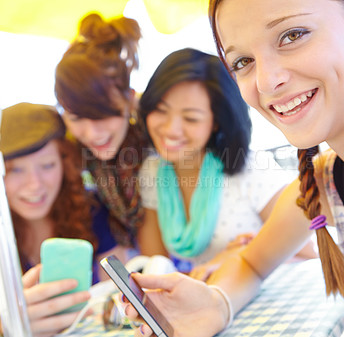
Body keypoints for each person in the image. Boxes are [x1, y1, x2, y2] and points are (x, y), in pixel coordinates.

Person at [124, 0, 344, 336]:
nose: (267, 81)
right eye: (242, 62)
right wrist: (216, 305)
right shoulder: (325, 180)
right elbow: (251, 264)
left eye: (292, 35)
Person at [137, 48, 315, 280]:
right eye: (160, 111)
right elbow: (156, 270)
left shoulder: (252, 170)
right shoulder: (152, 173)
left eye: (190, 118)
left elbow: (309, 256)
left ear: (216, 122)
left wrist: (242, 258)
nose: (171, 129)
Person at [0, 102, 126, 336]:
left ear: (64, 163)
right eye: (16, 170)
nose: (34, 185)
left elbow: (120, 294)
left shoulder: (93, 211)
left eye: (47, 165)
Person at [54, 13, 167, 256]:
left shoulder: (161, 138)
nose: (93, 133)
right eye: (76, 118)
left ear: (130, 100)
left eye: (103, 114)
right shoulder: (70, 154)